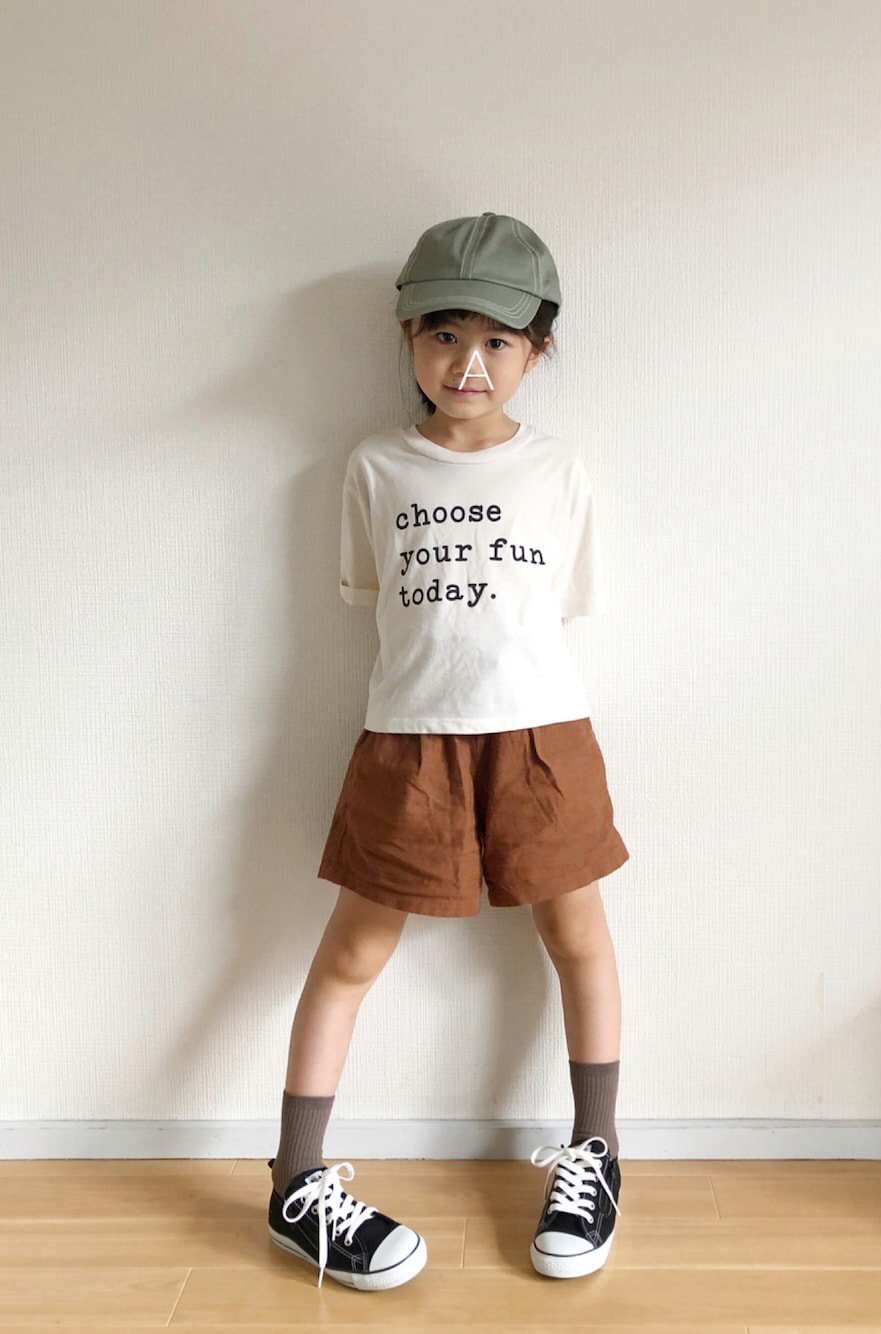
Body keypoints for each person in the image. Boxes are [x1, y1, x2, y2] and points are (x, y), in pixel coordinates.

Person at [266, 212, 629, 1290]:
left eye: (497, 341)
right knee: (351, 951)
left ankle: (598, 1148)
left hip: (541, 736)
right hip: (409, 741)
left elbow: (566, 603)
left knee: (577, 937)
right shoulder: (373, 465)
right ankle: (294, 1176)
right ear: (407, 338)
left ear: (536, 350)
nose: (467, 364)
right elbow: (365, 591)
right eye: (442, 334)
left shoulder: (558, 470)